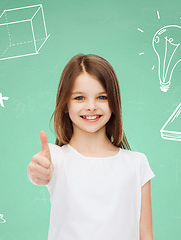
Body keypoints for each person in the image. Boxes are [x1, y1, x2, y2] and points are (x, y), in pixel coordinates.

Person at [27, 54, 154, 240]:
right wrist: (37, 172)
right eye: (79, 98)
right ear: (65, 104)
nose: (92, 106)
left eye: (102, 97)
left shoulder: (137, 163)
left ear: (114, 102)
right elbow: (36, 172)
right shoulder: (55, 158)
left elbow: (146, 235)